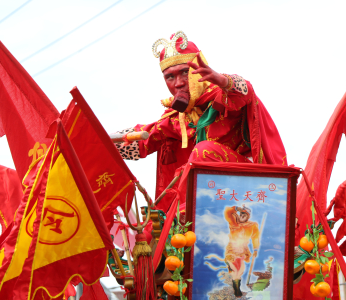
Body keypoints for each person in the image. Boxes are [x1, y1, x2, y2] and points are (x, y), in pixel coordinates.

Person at [115, 31, 287, 210]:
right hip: (210, 193)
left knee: (203, 151)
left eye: (184, 72)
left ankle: (182, 216)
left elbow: (245, 93)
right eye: (170, 77)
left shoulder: (221, 96)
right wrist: (97, 143)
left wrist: (223, 81)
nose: (179, 83)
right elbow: (145, 138)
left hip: (246, 187)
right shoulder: (177, 117)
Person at [224, 205, 259, 297]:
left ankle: (236, 288)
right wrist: (236, 208)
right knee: (235, 269)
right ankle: (237, 289)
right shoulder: (234, 222)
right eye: (241, 213)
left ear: (248, 216)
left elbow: (255, 237)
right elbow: (227, 212)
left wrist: (255, 249)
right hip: (232, 251)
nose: (242, 215)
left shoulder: (252, 226)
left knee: (240, 270)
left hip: (243, 252)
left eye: (245, 214)